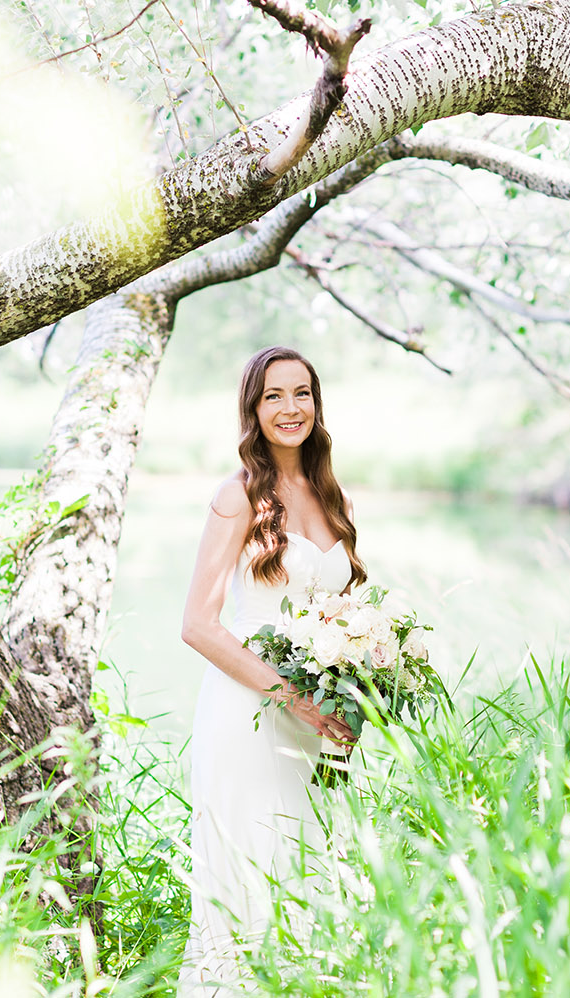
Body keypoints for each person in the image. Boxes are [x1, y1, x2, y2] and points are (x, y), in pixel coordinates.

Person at [177, 346, 365, 996]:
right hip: (251, 716)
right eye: (274, 396)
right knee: (251, 884)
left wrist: (357, 691)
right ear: (253, 410)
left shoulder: (328, 494)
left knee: (312, 881)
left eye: (302, 393)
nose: (291, 408)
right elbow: (197, 624)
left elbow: (344, 616)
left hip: (321, 723)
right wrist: (292, 699)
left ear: (317, 403)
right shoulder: (238, 498)